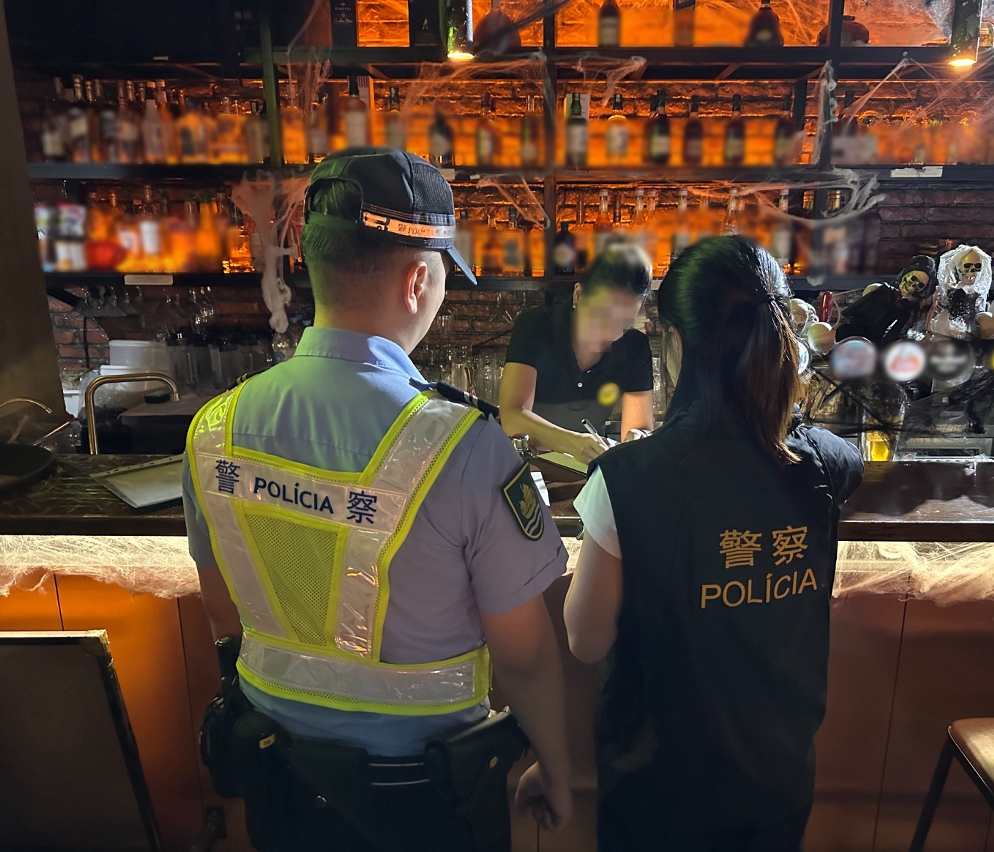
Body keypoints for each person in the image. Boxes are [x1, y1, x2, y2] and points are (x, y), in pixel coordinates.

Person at [182, 148, 572, 852]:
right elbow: (524, 655)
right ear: (418, 279)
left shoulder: (215, 428)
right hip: (424, 797)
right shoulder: (464, 446)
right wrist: (559, 767)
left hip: (278, 778)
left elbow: (223, 610)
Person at [564, 236, 863, 852]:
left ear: (674, 342)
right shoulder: (830, 463)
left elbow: (585, 639)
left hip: (660, 792)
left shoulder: (626, 480)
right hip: (777, 783)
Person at [499, 242, 656, 463]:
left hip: (588, 472)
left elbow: (638, 430)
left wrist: (640, 438)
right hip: (527, 467)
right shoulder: (537, 327)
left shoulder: (634, 346)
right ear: (579, 295)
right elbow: (512, 416)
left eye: (624, 322)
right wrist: (573, 443)